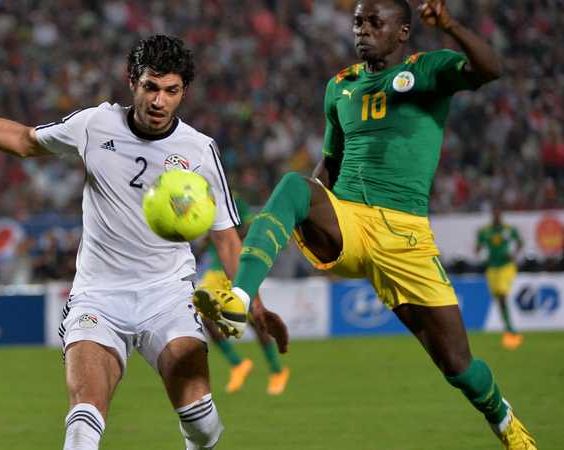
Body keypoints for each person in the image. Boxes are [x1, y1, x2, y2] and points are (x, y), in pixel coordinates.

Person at [0, 34, 286, 450]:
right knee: (83, 422)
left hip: (167, 296)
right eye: (150, 87)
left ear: (184, 92)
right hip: (99, 297)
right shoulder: (95, 125)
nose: (159, 101)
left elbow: (226, 239)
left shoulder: (200, 151)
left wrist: (254, 304)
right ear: (132, 81)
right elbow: (23, 141)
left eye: (171, 91)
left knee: (200, 421)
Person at [194, 1, 537, 449]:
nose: (363, 30)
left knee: (456, 364)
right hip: (350, 222)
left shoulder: (427, 70)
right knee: (294, 184)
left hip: (405, 237)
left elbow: (490, 69)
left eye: (375, 22)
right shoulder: (340, 86)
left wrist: (449, 25)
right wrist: (293, 214)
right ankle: (238, 300)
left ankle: (504, 421)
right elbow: (329, 164)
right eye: (358, 21)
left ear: (403, 32)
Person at [198, 195, 290, 395]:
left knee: (255, 321)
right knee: (204, 315)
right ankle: (237, 364)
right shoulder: (201, 198)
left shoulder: (235, 201)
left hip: (236, 267)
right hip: (215, 270)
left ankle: (277, 370)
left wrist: (221, 230)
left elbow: (248, 228)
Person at [475, 206, 524, 350]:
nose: (496, 216)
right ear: (492, 215)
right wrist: (480, 252)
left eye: (498, 213)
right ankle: (508, 327)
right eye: (494, 213)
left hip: (506, 266)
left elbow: (520, 243)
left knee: (502, 295)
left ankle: (510, 328)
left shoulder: (509, 230)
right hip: (492, 268)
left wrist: (514, 254)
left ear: (501, 215)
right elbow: (478, 248)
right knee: (498, 298)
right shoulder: (485, 232)